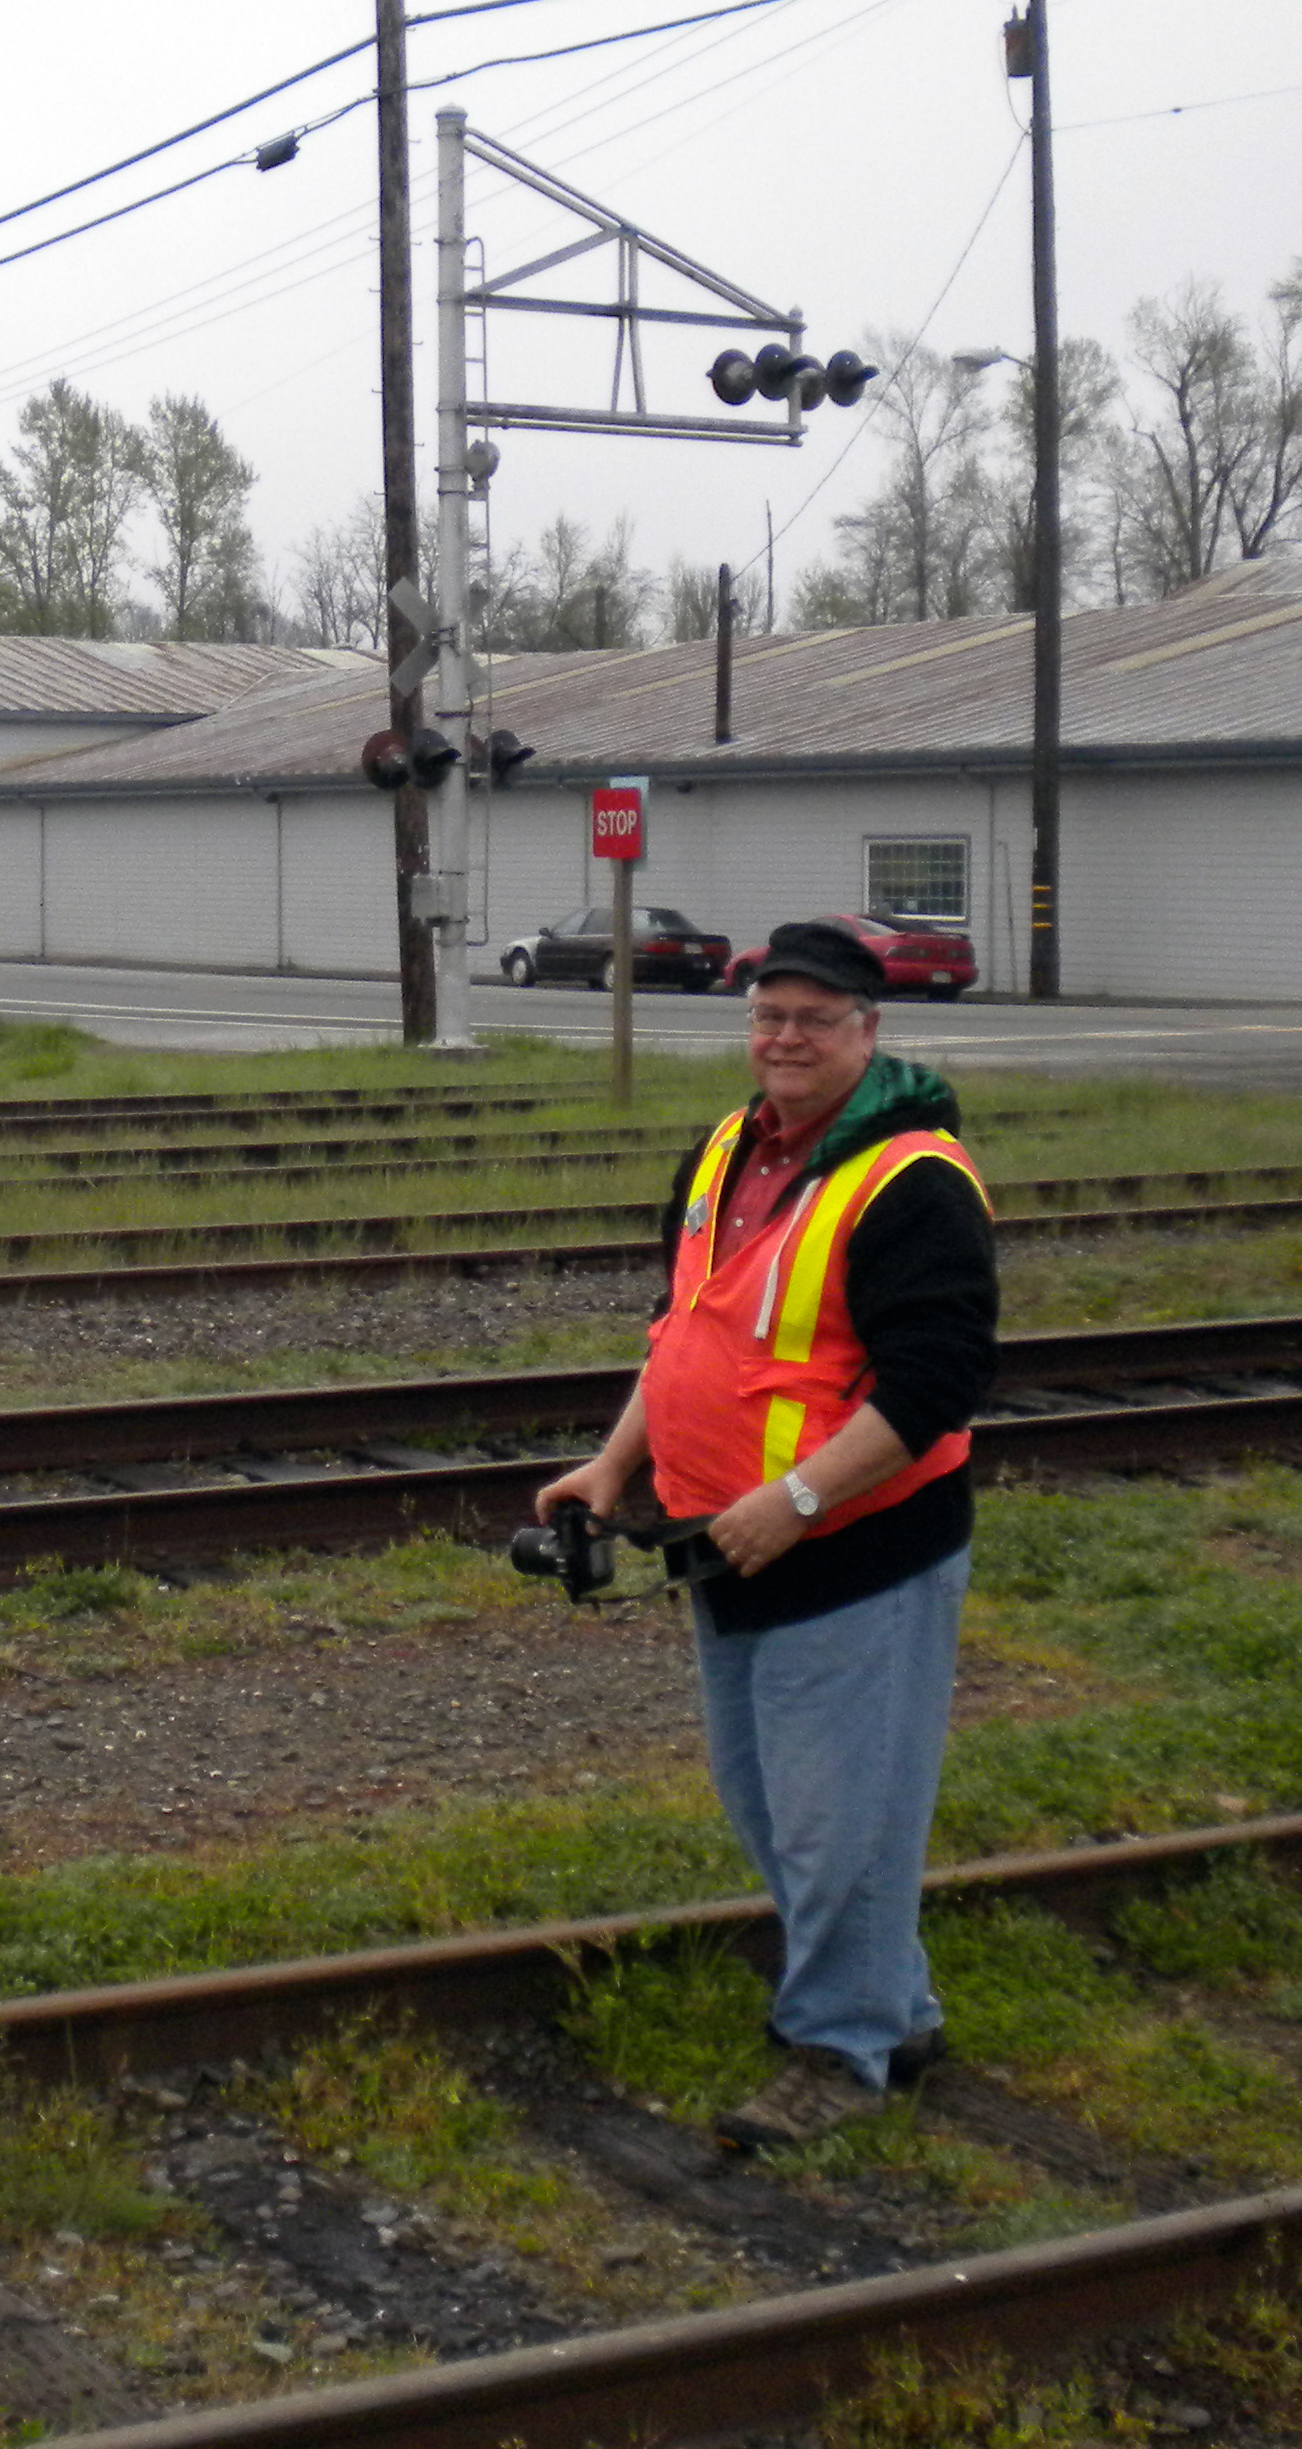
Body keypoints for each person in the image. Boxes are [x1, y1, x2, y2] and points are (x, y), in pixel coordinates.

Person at [534, 917, 998, 2148]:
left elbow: (934, 1386)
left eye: (813, 1019)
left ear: (866, 1030)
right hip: (723, 1538)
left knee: (837, 1816)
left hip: (853, 1547)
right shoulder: (731, 1146)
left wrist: (795, 1501)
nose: (784, 1038)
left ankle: (836, 2056)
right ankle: (894, 2009)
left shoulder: (913, 1181)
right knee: (772, 1805)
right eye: (767, 1016)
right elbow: (684, 1328)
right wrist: (613, 1462)